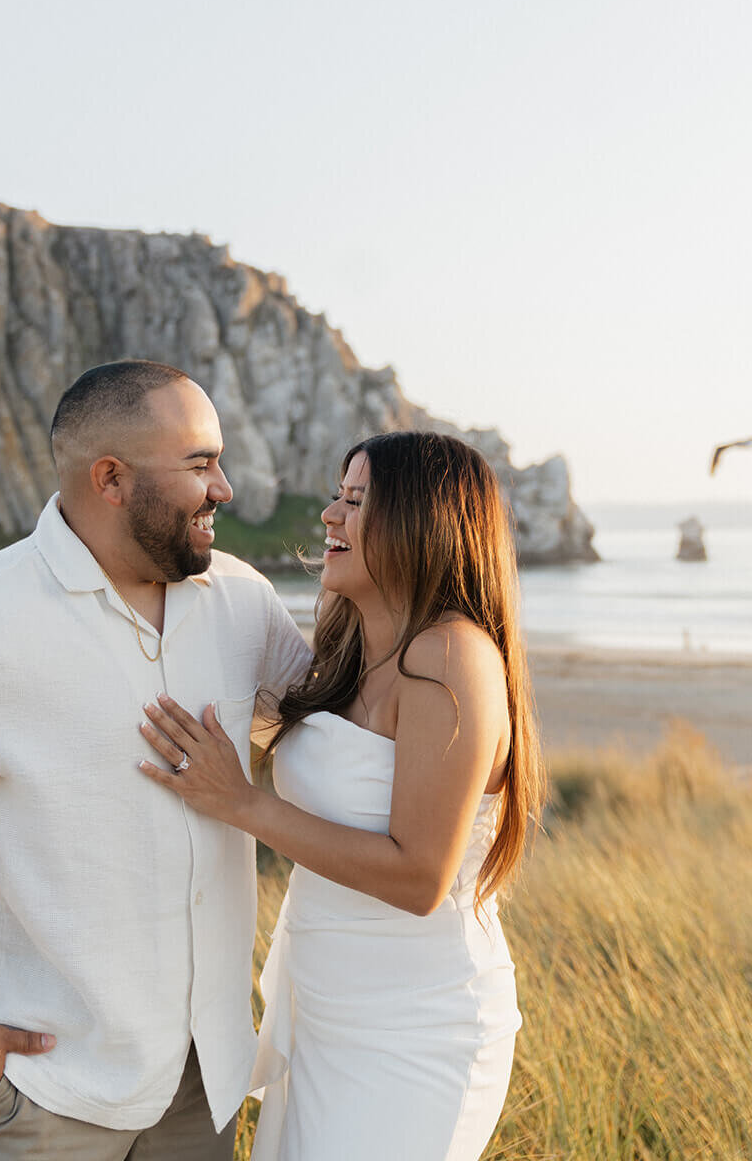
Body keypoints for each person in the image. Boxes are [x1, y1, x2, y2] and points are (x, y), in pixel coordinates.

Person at [0, 360, 311, 1161]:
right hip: (39, 1096)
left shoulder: (240, 598)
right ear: (110, 478)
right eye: (198, 463)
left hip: (200, 1082)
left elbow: (329, 724)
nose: (223, 488)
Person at [139, 431, 545, 1161]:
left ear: (424, 522)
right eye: (336, 495)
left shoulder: (450, 656)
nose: (329, 515)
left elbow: (420, 877)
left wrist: (240, 804)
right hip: (324, 1009)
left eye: (355, 501)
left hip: (417, 1029)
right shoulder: (349, 647)